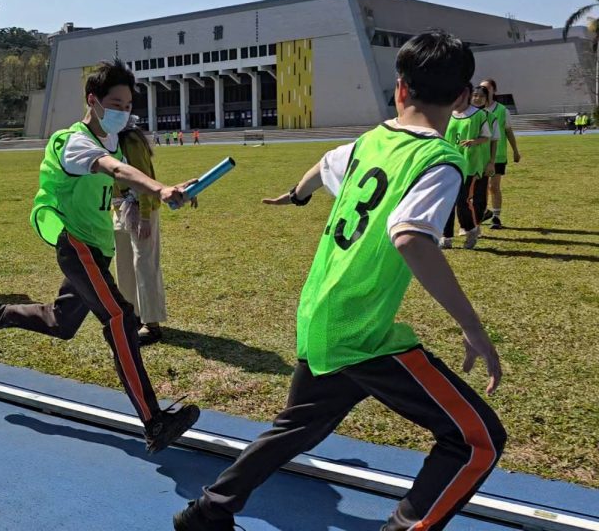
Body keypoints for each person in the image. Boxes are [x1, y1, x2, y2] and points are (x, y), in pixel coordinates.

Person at [174, 30, 505, 531]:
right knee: (477, 439)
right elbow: (411, 236)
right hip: (362, 332)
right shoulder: (440, 160)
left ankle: (206, 513)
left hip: (320, 315)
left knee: (297, 428)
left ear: (399, 89)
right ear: (463, 98)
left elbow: (325, 163)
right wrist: (473, 327)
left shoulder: (369, 142)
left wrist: (298, 193)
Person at [0, 59, 200, 454]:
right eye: (115, 103)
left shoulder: (111, 141)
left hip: (97, 249)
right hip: (76, 245)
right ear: (93, 101)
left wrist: (170, 190)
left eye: (128, 105)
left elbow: (121, 183)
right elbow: (111, 168)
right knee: (121, 317)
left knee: (62, 322)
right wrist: (158, 188)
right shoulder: (74, 142)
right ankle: (153, 420)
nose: (123, 112)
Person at [113, 115, 188, 345]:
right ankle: (132, 314)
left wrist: (145, 216)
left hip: (139, 208)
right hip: (118, 208)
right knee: (123, 265)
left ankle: (151, 323)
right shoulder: (105, 140)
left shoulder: (131, 140)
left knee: (144, 264)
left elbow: (143, 179)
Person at [440, 83, 491, 249]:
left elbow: (487, 137)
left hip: (469, 164)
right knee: (447, 201)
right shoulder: (448, 114)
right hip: (449, 163)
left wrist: (475, 141)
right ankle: (446, 237)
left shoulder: (479, 115)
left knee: (462, 201)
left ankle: (471, 231)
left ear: (466, 95)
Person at [480, 79, 521, 229]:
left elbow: (508, 131)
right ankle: (483, 212)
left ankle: (496, 217)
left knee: (493, 186)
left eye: (487, 88)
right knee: (481, 187)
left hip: (497, 155)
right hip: (479, 156)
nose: (484, 91)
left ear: (494, 91)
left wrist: (516, 151)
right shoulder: (475, 110)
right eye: (482, 88)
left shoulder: (502, 110)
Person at [469, 86, 496, 227]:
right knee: (464, 197)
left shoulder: (491, 118)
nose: (477, 98)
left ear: (486, 99)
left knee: (480, 196)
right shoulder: (460, 116)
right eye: (475, 95)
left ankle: (476, 224)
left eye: (481, 96)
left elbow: (494, 142)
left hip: (482, 163)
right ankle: (466, 224)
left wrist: (491, 162)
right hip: (466, 162)